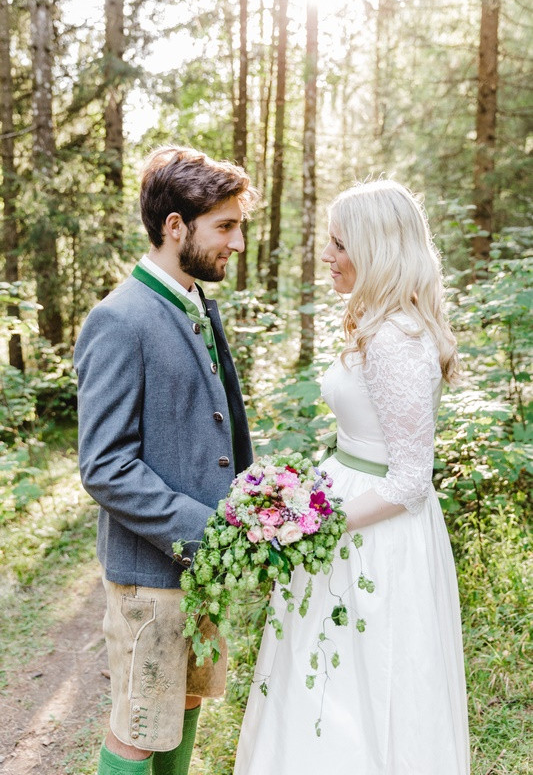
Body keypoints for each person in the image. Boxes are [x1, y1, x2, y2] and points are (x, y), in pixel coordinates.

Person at [234, 180, 470, 774]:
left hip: (376, 539)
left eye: (339, 243)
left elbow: (411, 478)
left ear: (376, 249)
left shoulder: (396, 338)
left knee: (368, 682)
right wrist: (298, 497)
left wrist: (319, 523)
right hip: (344, 512)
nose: (328, 256)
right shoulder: (377, 324)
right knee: (326, 679)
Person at [74, 146, 257, 775]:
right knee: (139, 726)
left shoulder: (193, 304)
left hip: (196, 571)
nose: (237, 242)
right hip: (152, 574)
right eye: (225, 226)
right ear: (175, 226)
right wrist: (207, 534)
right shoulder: (120, 319)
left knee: (182, 704)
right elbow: (104, 465)